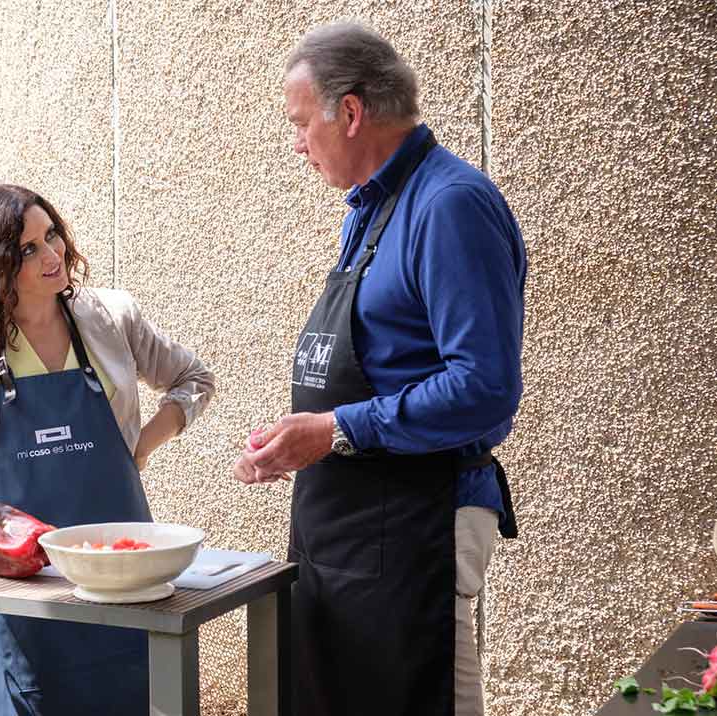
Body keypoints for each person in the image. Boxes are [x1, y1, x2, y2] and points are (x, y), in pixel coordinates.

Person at [233, 22, 525, 716]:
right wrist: (297, 439)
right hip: (347, 527)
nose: (296, 143)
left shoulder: (450, 205)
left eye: (302, 124)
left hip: (420, 525)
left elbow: (485, 390)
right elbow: (383, 360)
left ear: (352, 112)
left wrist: (335, 429)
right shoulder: (367, 212)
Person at [0, 183, 215, 715]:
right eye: (29, 248)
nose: (53, 254)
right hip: (17, 575)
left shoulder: (110, 315)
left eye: (52, 234)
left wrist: (142, 443)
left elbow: (193, 379)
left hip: (116, 571)